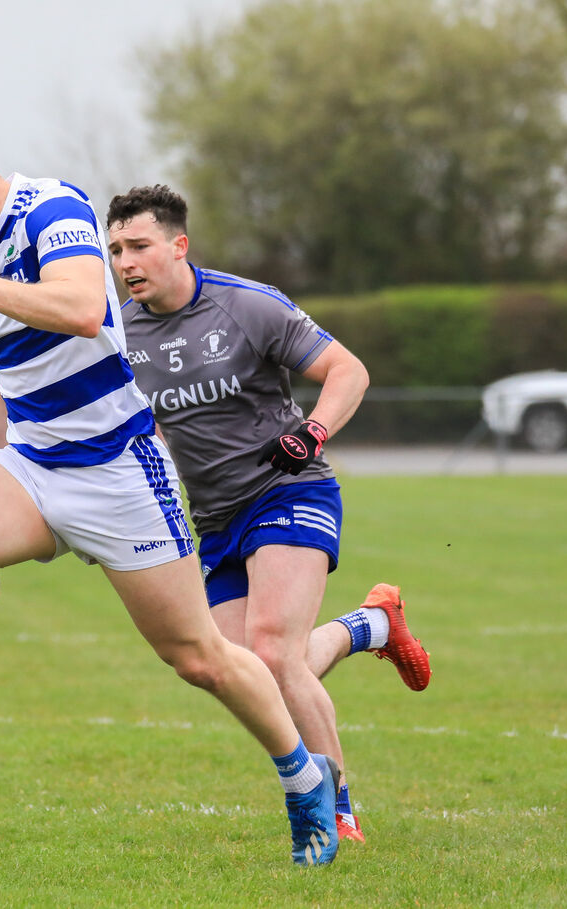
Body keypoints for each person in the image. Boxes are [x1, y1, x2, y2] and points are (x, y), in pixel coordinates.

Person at [0, 106, 342, 866]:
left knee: (199, 657)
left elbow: (85, 307)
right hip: (31, 464)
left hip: (119, 470)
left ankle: (303, 777)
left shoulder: (49, 208)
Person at [106, 184, 433, 845]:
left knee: (273, 655)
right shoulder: (119, 333)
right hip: (214, 520)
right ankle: (370, 624)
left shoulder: (245, 305)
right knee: (238, 671)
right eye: (114, 249)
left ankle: (338, 810)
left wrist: (311, 432)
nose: (124, 262)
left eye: (138, 245)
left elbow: (348, 371)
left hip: (290, 492)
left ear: (178, 245)